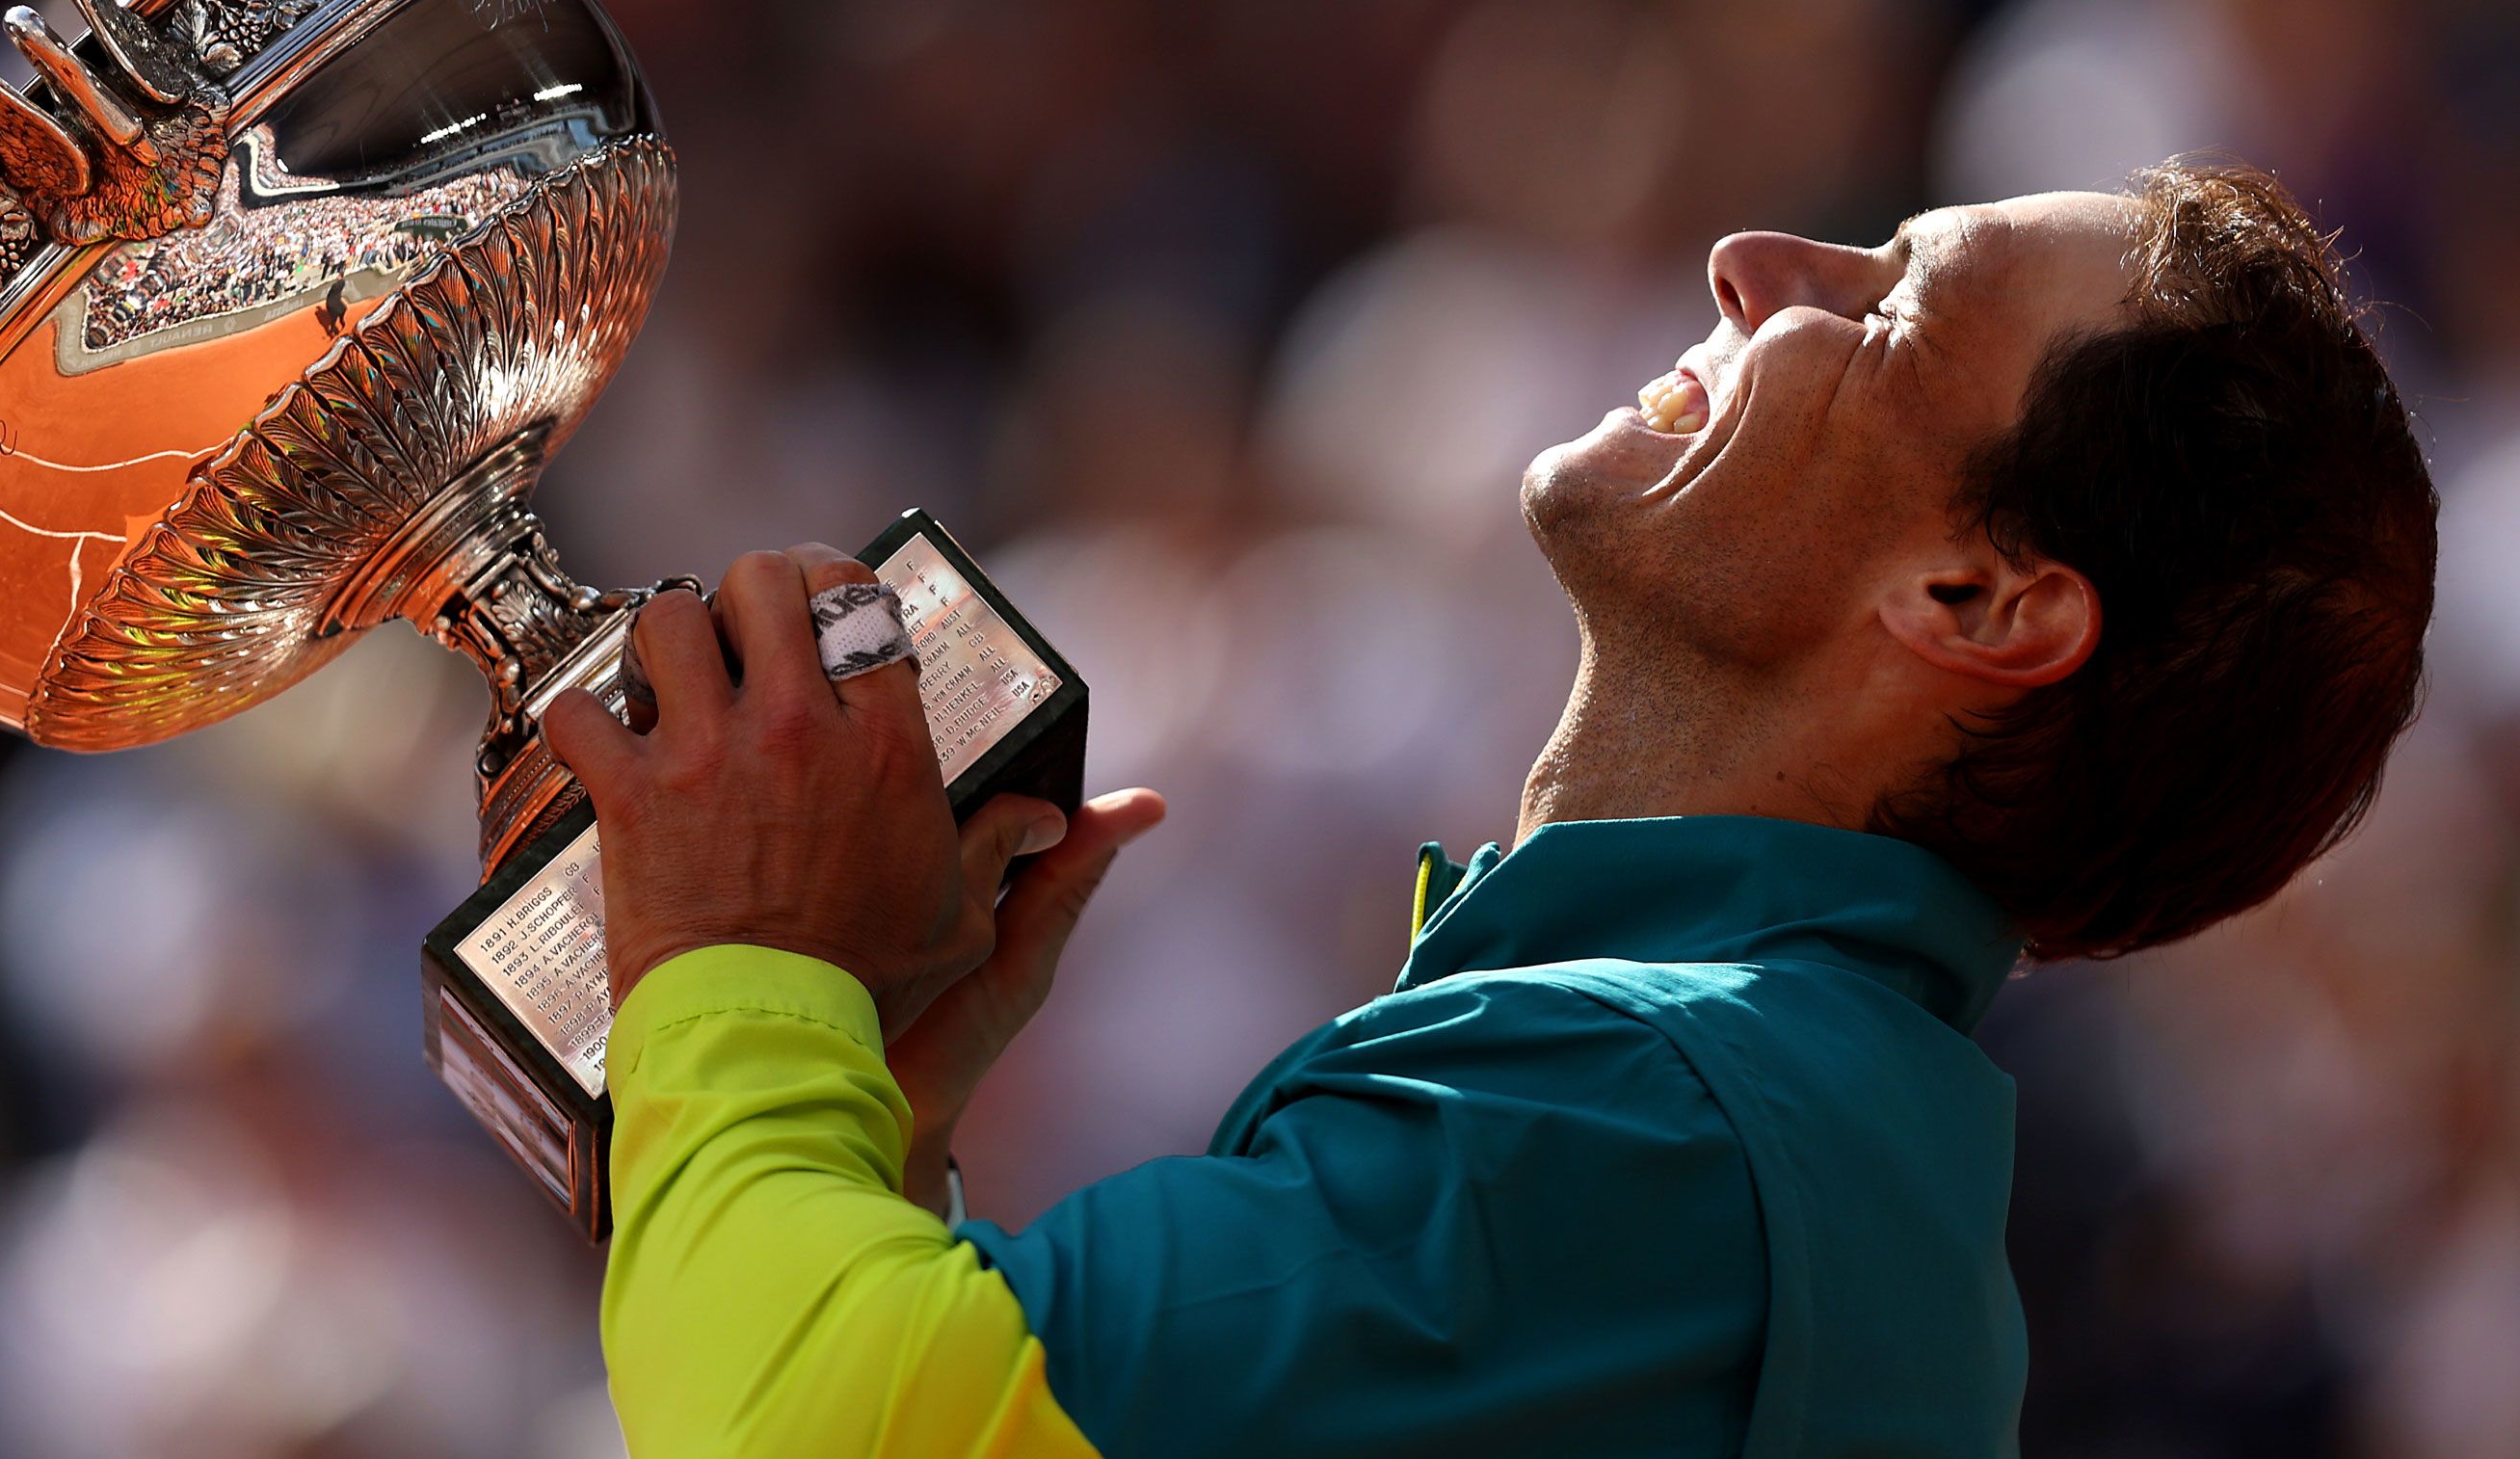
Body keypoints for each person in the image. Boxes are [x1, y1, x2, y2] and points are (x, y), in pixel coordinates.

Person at [544, 154, 2437, 1457]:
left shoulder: (1659, 1115)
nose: (1759, 264)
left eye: (1890, 304)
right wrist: (878, 1123)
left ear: (1979, 603)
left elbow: (818, 1419)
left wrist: (745, 972)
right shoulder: (1741, 1107)